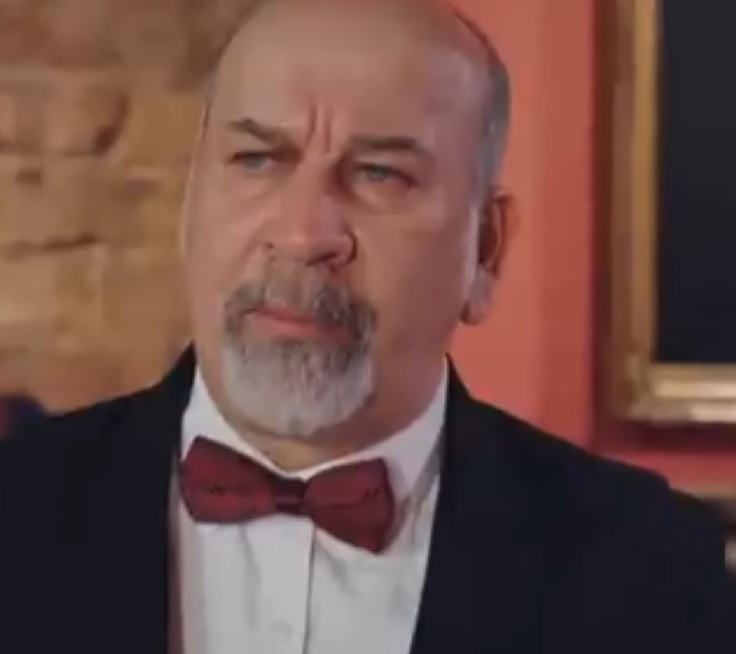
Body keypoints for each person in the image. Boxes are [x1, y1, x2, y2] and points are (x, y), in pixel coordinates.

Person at [0, 0, 734, 652]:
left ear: (485, 252)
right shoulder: (17, 509)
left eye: (380, 174)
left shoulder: (649, 570)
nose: (302, 234)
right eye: (256, 160)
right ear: (192, 204)